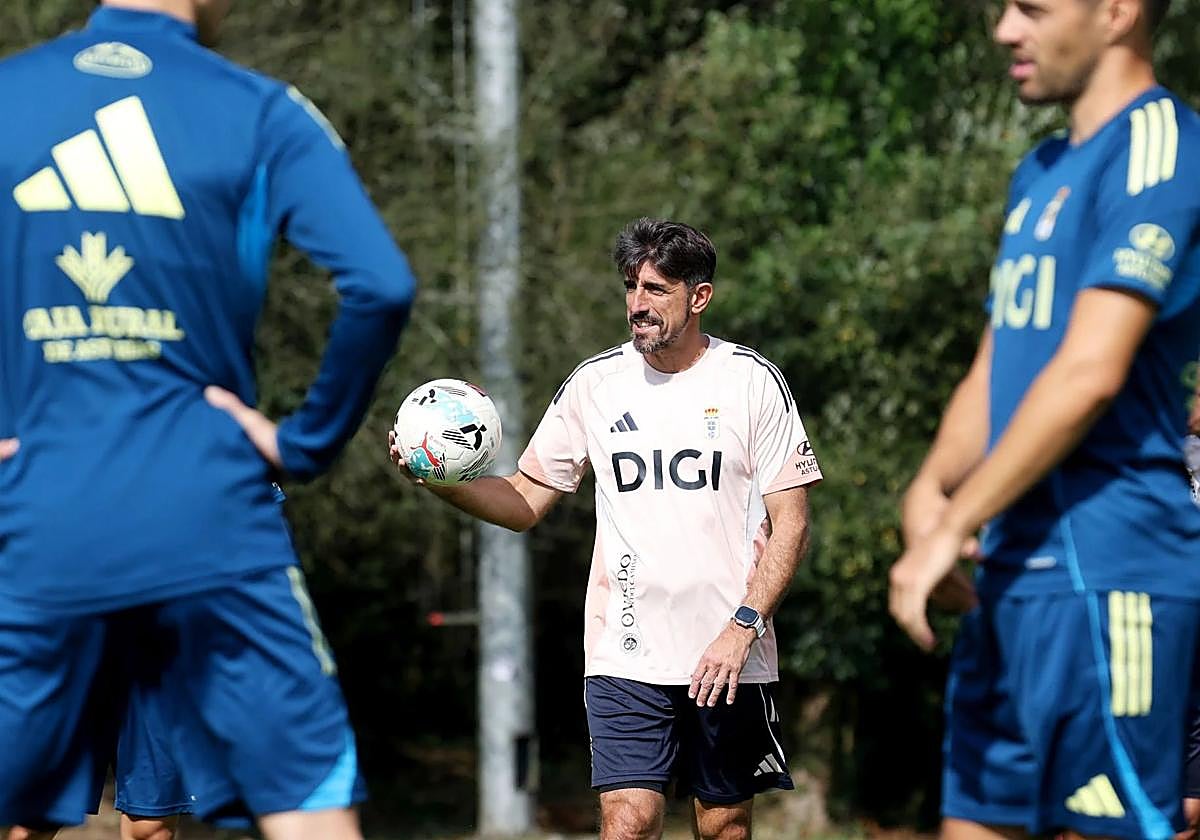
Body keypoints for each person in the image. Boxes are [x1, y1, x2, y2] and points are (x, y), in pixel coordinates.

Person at [0, 0, 416, 836]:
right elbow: (380, 285)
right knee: (310, 808)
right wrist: (306, 442)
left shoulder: (9, 93)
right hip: (211, 510)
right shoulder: (262, 109)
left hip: (41, 506)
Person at [390, 218, 820, 840]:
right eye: (630, 288)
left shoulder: (752, 380)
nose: (638, 305)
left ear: (699, 297)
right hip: (625, 649)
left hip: (729, 652)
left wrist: (743, 627)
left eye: (656, 290)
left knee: (723, 826)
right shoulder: (595, 384)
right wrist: (435, 480)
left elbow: (793, 524)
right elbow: (522, 498)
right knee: (628, 821)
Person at [890, 0, 1200, 838]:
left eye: (1032, 7)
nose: (1004, 30)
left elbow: (1091, 373)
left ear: (1117, 12)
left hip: (1112, 575)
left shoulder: (1162, 149)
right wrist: (927, 496)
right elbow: (995, 367)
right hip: (1009, 582)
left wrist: (960, 516)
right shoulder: (1040, 169)